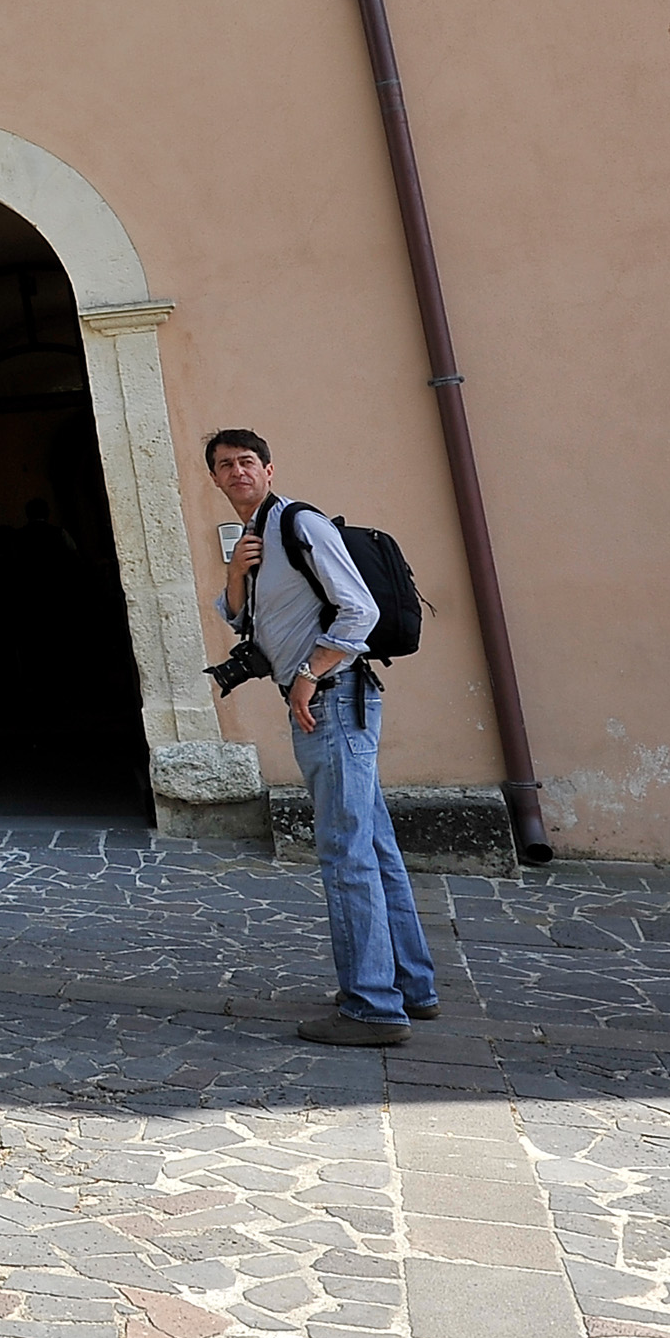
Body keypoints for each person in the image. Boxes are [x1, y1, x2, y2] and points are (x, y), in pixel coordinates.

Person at [209, 428, 442, 1047]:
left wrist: (310, 675)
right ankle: (412, 988)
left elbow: (358, 610)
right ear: (214, 478)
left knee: (345, 855)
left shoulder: (299, 525)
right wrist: (235, 573)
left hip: (332, 701)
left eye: (247, 461)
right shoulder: (256, 540)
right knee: (375, 848)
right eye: (225, 465)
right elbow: (245, 619)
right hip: (325, 699)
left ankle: (370, 1006)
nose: (237, 472)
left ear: (269, 467)